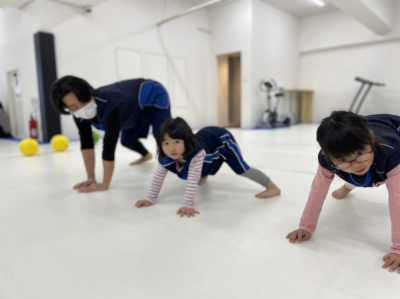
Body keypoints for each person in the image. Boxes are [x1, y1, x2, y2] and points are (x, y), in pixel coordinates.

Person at [286, 111, 400, 274]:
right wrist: (306, 226)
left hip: (394, 129)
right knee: (360, 173)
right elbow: (318, 189)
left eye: (360, 153)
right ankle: (349, 185)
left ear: (371, 138)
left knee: (378, 175)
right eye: (342, 159)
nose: (355, 164)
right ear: (327, 156)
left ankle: (349, 182)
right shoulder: (328, 159)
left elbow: (398, 199)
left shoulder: (392, 151)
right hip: (362, 145)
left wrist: (398, 249)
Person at [135, 117, 281, 217]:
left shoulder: (196, 152)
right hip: (206, 148)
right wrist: (151, 198)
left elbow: (192, 179)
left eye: (176, 142)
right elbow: (158, 177)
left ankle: (272, 186)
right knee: (192, 168)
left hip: (221, 140)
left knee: (241, 169)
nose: (171, 148)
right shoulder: (165, 156)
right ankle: (204, 174)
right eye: (166, 143)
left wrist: (187, 204)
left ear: (186, 140)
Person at [51, 76, 171, 193]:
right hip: (131, 110)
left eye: (84, 101)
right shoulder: (79, 115)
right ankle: (146, 155)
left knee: (163, 138)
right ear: (65, 107)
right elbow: (86, 142)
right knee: (127, 141)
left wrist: (105, 184)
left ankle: (184, 162)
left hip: (152, 96)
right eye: (74, 107)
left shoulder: (110, 100)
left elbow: (109, 143)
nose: (82, 108)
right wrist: (91, 178)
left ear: (89, 92)